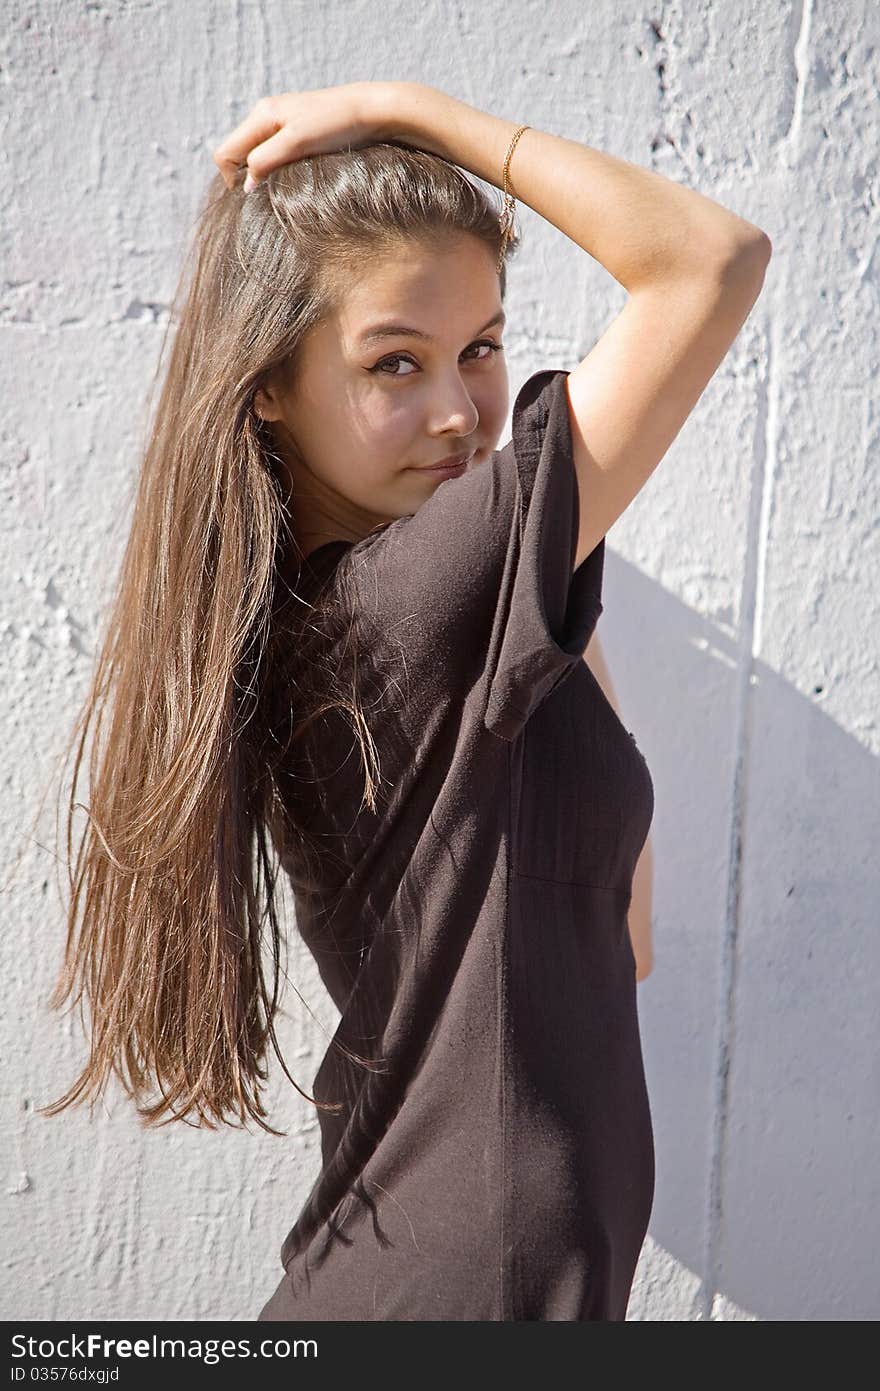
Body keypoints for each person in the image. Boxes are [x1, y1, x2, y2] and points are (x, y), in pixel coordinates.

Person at [41, 80, 770, 1321]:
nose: (459, 411)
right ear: (266, 384)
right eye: (395, 361)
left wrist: (552, 576)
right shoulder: (416, 596)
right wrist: (414, 110)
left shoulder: (356, 615)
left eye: (481, 347)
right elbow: (709, 258)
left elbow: (622, 939)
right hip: (460, 1288)